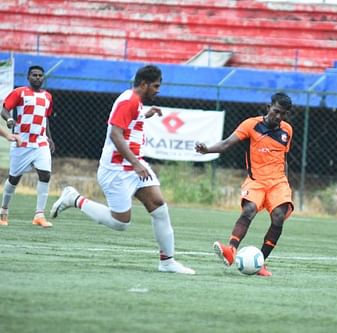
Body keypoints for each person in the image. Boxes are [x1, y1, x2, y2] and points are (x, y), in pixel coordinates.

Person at [50, 65, 195, 275]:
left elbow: (129, 122)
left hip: (134, 166)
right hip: (117, 170)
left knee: (159, 206)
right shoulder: (129, 101)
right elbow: (115, 134)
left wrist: (146, 115)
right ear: (144, 84)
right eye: (156, 86)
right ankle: (74, 199)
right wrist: (135, 164)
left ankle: (167, 261)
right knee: (121, 223)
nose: (158, 90)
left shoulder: (135, 102)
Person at [195, 92, 294, 277]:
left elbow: (284, 158)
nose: (279, 117)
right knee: (249, 210)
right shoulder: (251, 125)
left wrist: (285, 183)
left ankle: (260, 263)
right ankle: (231, 250)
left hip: (278, 182)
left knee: (279, 217)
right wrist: (207, 149)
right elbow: (226, 144)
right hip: (256, 181)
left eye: (284, 114)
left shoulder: (287, 130)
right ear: (268, 108)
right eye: (276, 112)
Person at [0, 65, 55, 227]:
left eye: (40, 75)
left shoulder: (48, 97)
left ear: (43, 78)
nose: (37, 78)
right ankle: (3, 210)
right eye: (34, 75)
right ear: (28, 77)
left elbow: (46, 118)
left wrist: (50, 138)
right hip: (22, 141)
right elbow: (4, 109)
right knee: (14, 178)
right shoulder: (20, 92)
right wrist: (10, 120)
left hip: (40, 142)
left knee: (45, 175)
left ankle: (39, 215)